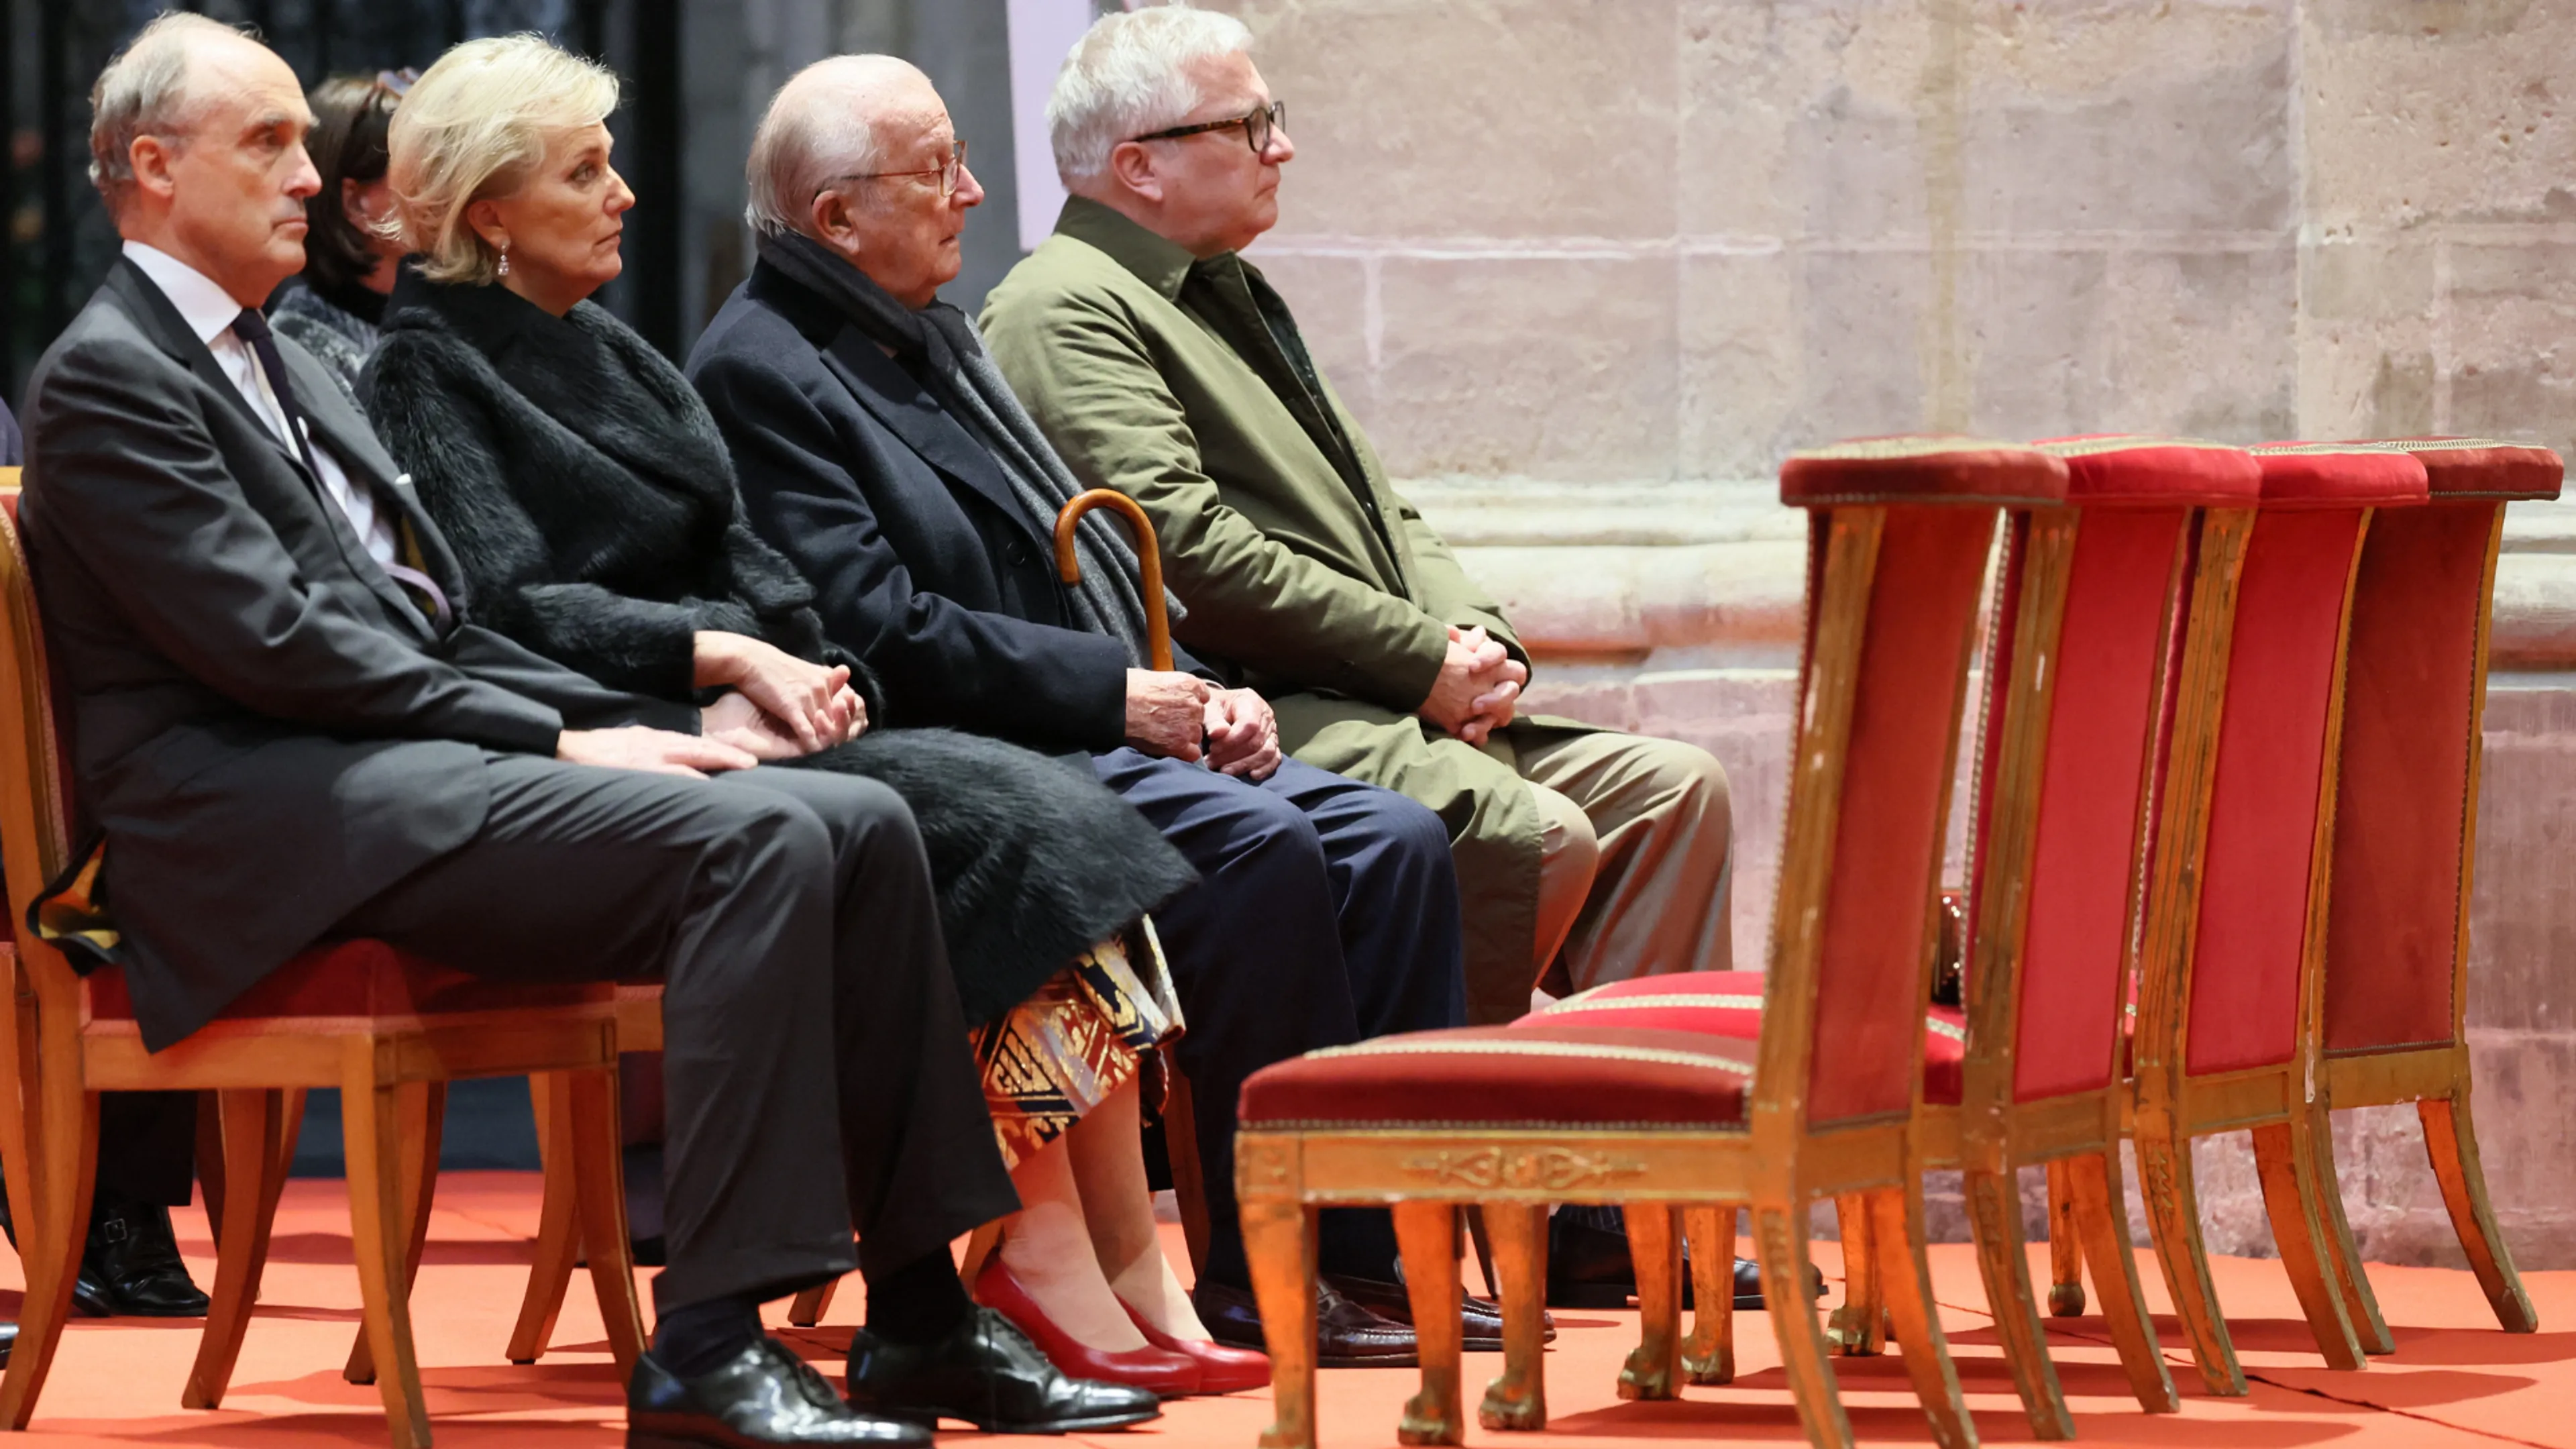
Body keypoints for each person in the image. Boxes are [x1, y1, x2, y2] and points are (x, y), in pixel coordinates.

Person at [21, 15, 1157, 1443]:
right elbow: (281, 649)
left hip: (387, 768)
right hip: (265, 813)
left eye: (302, 144)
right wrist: (567, 739)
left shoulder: (296, 363)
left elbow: (433, 619)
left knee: (860, 822)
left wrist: (632, 711)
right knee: (756, 845)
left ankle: (922, 1321)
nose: (311, 175)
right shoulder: (110, 375)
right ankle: (707, 1347)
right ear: (150, 168)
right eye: (268, 144)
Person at [363, 34, 1253, 1399]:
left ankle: (1085, 1269)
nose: (625, 196)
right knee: (1003, 815)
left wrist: (800, 662)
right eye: (586, 171)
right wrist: (716, 663)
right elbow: (509, 608)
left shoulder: (606, 344)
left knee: (1047, 808)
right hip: (630, 734)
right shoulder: (425, 368)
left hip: (758, 719)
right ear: (490, 210)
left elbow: (753, 555)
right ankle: (1011, 1269)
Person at [688, 55, 1502, 1368]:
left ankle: (1368, 1256)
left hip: (1071, 709)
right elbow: (877, 626)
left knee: (1392, 842)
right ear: (837, 218)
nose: (971, 191)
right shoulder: (765, 369)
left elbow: (1077, 557)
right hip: (958, 743)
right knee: (1261, 849)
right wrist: (1123, 696)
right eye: (934, 169)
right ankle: (1257, 1264)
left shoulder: (932, 328)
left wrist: (1194, 692)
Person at [981, 3, 1746, 1308]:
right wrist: (1419, 663)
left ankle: (1613, 1204)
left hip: (1375, 680)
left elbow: (1383, 506)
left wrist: (1477, 636)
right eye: (1249, 125)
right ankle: (1450, 1175)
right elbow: (1193, 554)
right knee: (1530, 833)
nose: (1282, 147)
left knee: (1677, 793)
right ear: (1138, 162)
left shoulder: (1225, 286)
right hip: (1259, 705)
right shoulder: (1066, 309)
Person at [268, 68, 411, 407]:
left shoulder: (430, 321)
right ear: (356, 203)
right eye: (422, 170)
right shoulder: (303, 353)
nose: (449, 191)